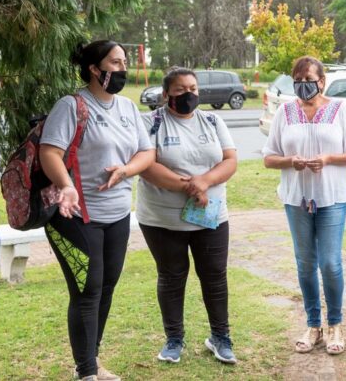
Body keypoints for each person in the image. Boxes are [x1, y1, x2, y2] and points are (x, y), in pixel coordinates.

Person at [39, 40, 155, 381]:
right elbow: (49, 152)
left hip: (118, 214)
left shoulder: (127, 108)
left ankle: (93, 360)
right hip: (75, 214)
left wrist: (126, 170)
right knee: (88, 289)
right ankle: (87, 371)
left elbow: (147, 153)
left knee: (106, 287)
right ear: (95, 69)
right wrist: (67, 185)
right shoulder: (71, 105)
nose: (122, 69)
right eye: (115, 63)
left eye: (123, 62)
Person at [262, 56, 346, 356]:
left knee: (330, 263)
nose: (302, 85)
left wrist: (328, 158)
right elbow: (269, 157)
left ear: (322, 81)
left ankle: (335, 323)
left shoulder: (339, 110)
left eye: (308, 79)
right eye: (297, 79)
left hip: (332, 196)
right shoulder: (285, 111)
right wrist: (291, 161)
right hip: (296, 198)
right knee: (305, 264)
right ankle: (313, 325)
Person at [136, 67, 239, 365]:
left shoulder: (212, 120)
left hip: (211, 215)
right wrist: (191, 187)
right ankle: (174, 339)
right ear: (166, 94)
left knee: (215, 276)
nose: (188, 94)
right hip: (162, 219)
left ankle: (220, 337)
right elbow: (147, 165)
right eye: (180, 90)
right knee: (171, 277)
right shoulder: (151, 123)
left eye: (193, 88)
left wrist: (204, 182)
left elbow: (230, 160)